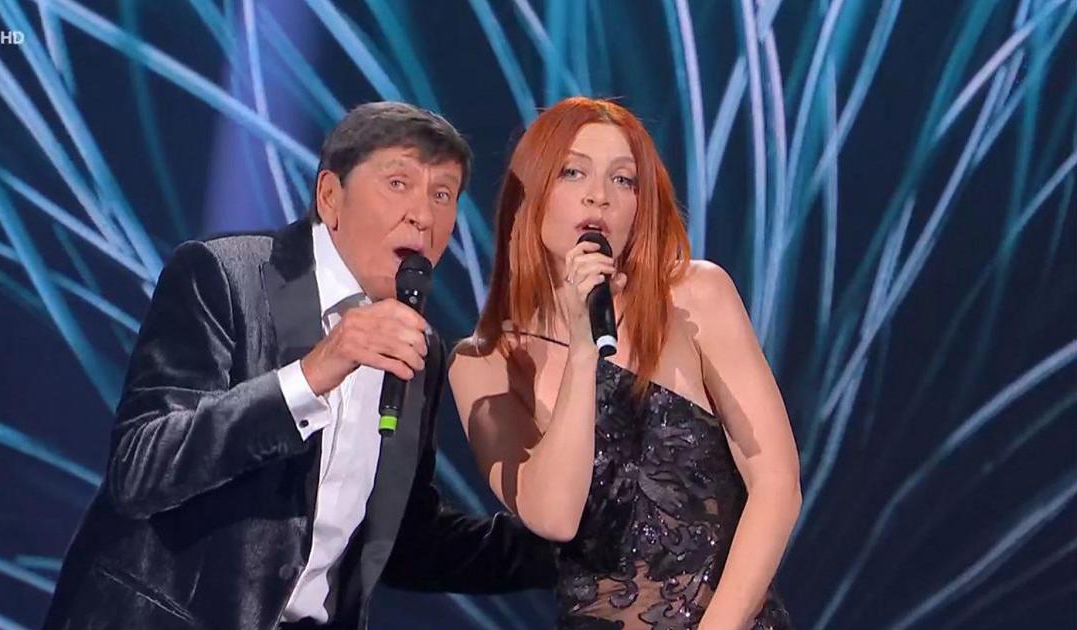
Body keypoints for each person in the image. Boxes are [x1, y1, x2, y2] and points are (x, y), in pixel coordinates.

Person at [42, 102, 554, 630]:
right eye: (398, 183)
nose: (422, 215)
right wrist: (310, 376)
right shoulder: (225, 277)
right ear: (330, 196)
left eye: (442, 194)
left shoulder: (418, 349)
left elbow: (405, 542)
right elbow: (140, 470)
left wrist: (573, 552)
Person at [449, 97, 801, 629]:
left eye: (623, 180)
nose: (600, 196)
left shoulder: (695, 296)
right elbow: (554, 516)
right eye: (573, 172)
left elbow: (776, 483)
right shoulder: (486, 360)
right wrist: (582, 350)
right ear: (529, 195)